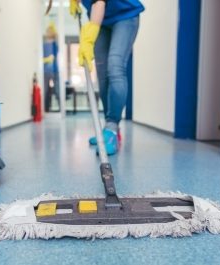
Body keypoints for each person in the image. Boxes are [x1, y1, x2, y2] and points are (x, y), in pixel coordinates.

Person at [70, 0, 144, 155]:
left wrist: (88, 39)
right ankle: (108, 130)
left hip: (125, 16)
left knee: (115, 67)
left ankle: (111, 129)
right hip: (101, 20)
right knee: (103, 77)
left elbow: (99, 3)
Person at [43, 22, 60, 112]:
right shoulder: (43, 44)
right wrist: (46, 59)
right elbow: (41, 58)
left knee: (57, 90)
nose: (49, 32)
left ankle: (61, 109)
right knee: (46, 91)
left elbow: (57, 51)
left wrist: (53, 26)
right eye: (48, 31)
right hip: (45, 71)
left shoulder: (55, 44)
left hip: (55, 70)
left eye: (50, 30)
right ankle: (45, 109)